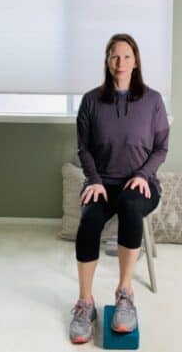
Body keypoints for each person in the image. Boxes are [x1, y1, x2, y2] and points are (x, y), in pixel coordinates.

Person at [69, 33, 170, 344]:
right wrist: (95, 180)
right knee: (89, 220)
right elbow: (83, 148)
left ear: (136, 61)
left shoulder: (153, 100)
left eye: (127, 56)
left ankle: (125, 292)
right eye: (115, 56)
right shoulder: (91, 100)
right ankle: (85, 302)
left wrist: (143, 174)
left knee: (129, 205)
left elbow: (161, 148)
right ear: (107, 62)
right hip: (102, 182)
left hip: (141, 183)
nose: (121, 62)